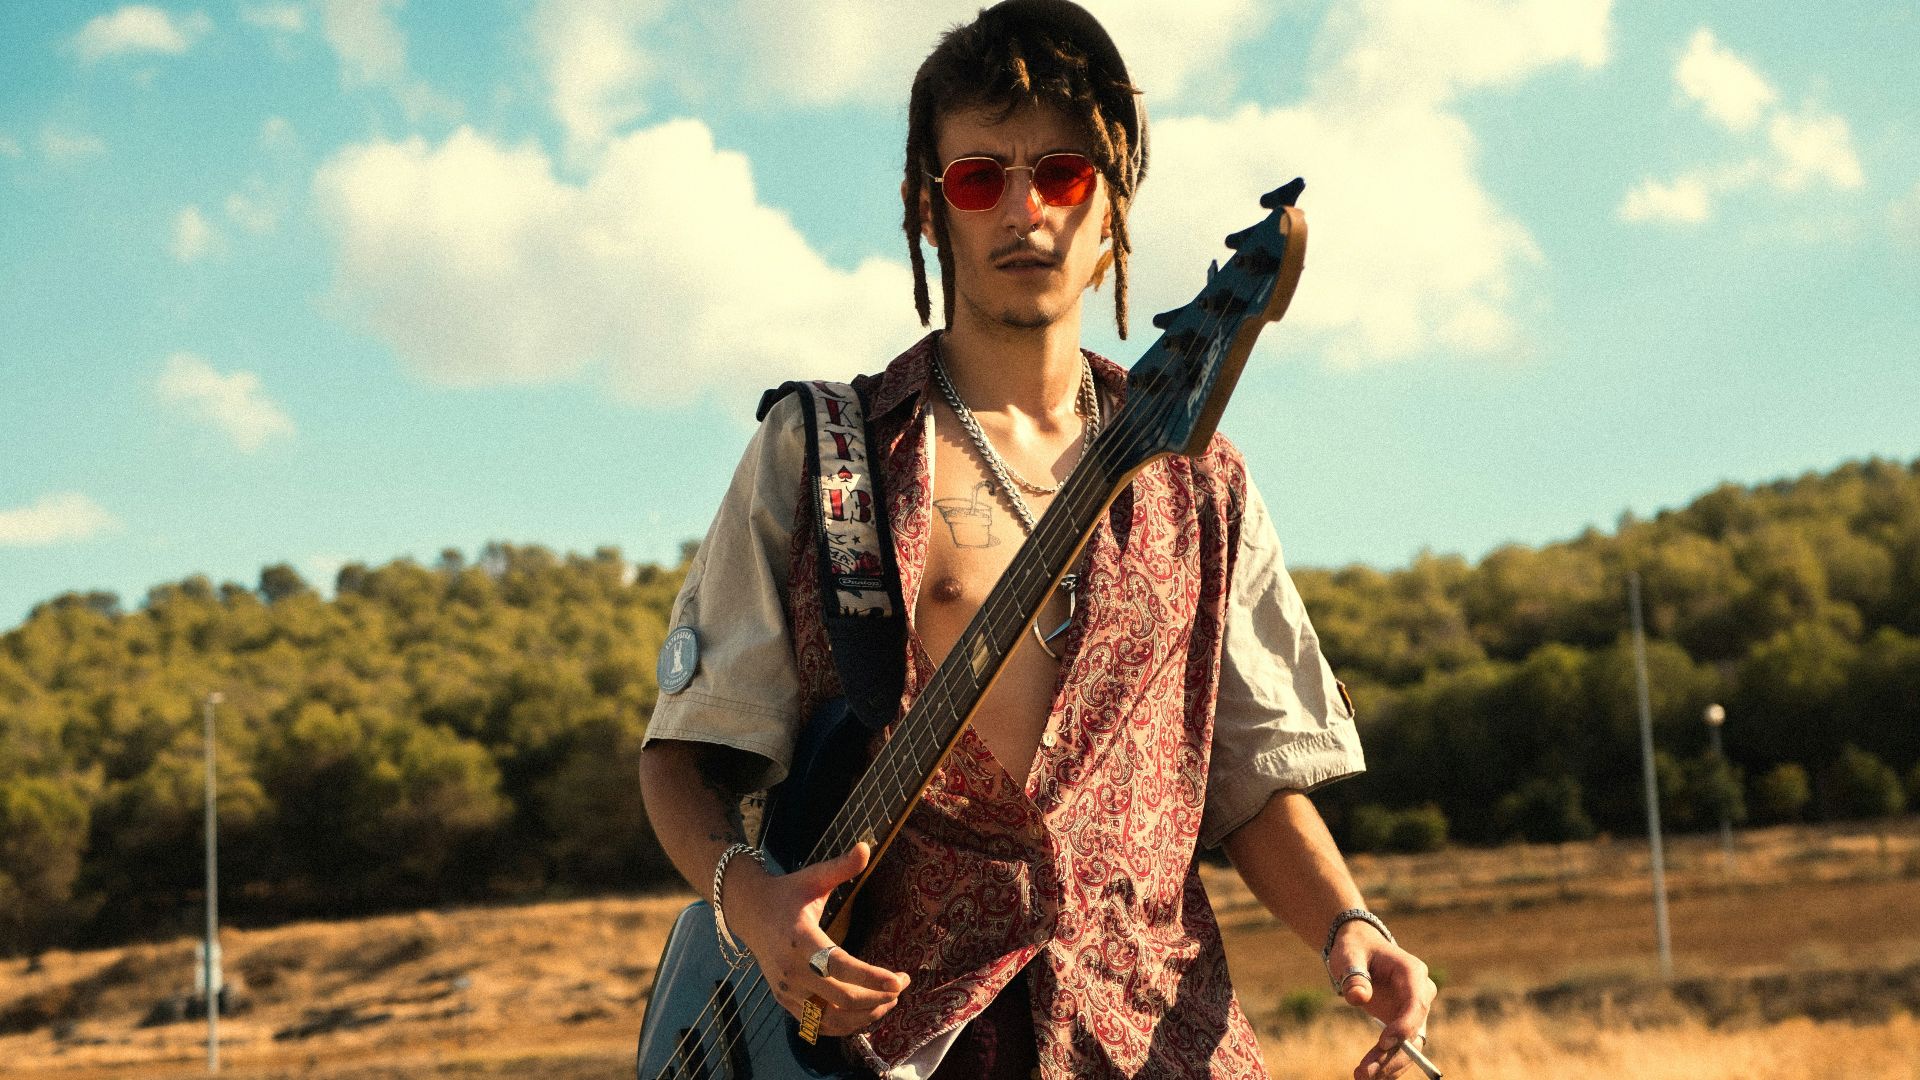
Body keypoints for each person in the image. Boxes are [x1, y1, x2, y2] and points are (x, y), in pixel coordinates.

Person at [638, 2, 1436, 1077]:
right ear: (930, 210)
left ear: (1112, 207)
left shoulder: (1201, 479)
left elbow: (1252, 780)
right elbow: (683, 760)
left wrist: (1350, 924)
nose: (1025, 211)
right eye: (980, 178)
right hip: (891, 1044)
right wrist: (754, 905)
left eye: (1062, 174)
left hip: (1151, 1033)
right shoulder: (822, 453)